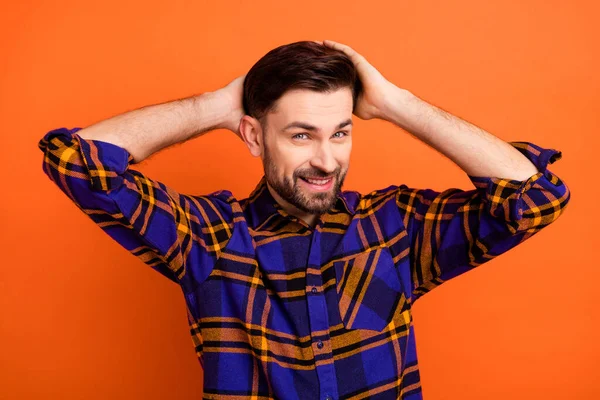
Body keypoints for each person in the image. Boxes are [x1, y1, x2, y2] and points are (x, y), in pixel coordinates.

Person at [38, 40, 570, 399]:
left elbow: (536, 199)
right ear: (253, 136)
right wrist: (215, 105)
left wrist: (395, 103)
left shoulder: (393, 227)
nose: (326, 160)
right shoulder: (210, 237)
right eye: (301, 135)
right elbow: (75, 161)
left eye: (340, 132)